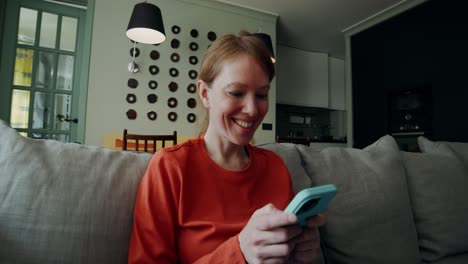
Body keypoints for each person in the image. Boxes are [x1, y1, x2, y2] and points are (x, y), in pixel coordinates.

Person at [128, 31, 325, 263]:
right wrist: (239, 252)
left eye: (261, 94)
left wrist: (299, 250)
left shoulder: (275, 166)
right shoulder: (170, 167)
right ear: (205, 94)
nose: (252, 109)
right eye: (236, 93)